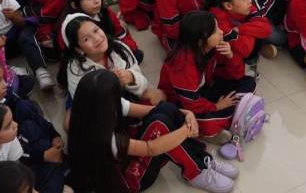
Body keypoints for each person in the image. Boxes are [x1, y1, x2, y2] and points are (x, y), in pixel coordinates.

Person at [66, 69, 236, 193]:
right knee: (160, 127)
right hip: (127, 181)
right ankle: (195, 172)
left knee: (165, 110)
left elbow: (152, 109)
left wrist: (187, 114)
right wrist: (187, 129)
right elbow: (150, 149)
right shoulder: (100, 136)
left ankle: (201, 159)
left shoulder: (91, 108)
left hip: (123, 158)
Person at [158, 10, 256, 143]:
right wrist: (217, 106)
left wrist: (230, 56)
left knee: (249, 82)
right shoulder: (183, 65)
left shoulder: (213, 47)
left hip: (204, 91)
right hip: (182, 104)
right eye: (215, 31)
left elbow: (237, 75)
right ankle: (217, 125)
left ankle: (230, 116)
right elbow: (191, 104)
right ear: (200, 41)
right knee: (203, 123)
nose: (221, 32)